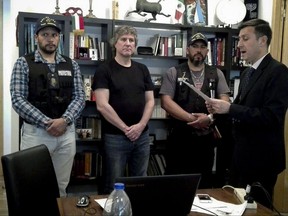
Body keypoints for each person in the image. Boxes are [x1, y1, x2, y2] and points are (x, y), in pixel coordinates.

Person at [206, 19, 288, 209]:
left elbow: (271, 117)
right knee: (236, 207)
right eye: (239, 39)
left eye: (245, 38)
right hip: (240, 158)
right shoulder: (246, 73)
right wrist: (218, 111)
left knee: (259, 211)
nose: (240, 44)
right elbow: (242, 110)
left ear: (262, 40)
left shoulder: (278, 72)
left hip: (262, 160)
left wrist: (230, 108)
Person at [10, 16, 85, 197]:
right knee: (33, 184)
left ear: (59, 38)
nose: (50, 39)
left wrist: (64, 120)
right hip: (36, 134)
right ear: (36, 37)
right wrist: (47, 123)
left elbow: (80, 97)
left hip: (66, 134)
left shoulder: (71, 64)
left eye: (54, 35)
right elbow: (18, 100)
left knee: (60, 186)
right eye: (45, 34)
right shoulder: (23, 63)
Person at [159, 33, 230, 188]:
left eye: (203, 47)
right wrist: (192, 119)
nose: (199, 50)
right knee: (175, 185)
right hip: (179, 139)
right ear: (187, 50)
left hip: (206, 141)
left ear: (207, 51)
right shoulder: (173, 72)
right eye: (195, 46)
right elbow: (166, 102)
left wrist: (209, 118)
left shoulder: (217, 74)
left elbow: (225, 101)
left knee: (203, 184)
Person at [91, 25, 155, 194]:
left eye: (131, 40)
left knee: (140, 182)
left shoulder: (142, 69)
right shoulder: (104, 70)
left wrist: (140, 126)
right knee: (114, 183)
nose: (128, 43)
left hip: (142, 137)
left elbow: (150, 102)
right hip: (115, 137)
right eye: (123, 39)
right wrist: (126, 129)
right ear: (115, 44)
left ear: (135, 45)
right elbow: (102, 105)